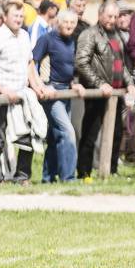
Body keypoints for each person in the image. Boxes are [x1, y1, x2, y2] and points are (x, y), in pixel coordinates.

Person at [0, 2, 50, 182]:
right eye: (15, 15)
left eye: (21, 16)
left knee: (27, 138)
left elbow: (29, 63)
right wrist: (3, 90)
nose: (19, 19)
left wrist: (37, 85)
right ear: (4, 17)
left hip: (22, 95)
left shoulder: (24, 35)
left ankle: (22, 177)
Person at [75, 2, 134, 179]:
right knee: (90, 134)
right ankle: (84, 173)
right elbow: (81, 63)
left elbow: (121, 64)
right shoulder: (89, 34)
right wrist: (99, 84)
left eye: (115, 16)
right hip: (97, 93)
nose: (112, 20)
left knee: (116, 133)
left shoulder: (117, 35)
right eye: (109, 16)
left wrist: (130, 83)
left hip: (115, 94)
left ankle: (112, 171)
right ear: (100, 14)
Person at [31, 10, 85, 182]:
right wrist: (41, 86)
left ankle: (48, 177)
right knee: (67, 132)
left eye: (72, 22)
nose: (69, 25)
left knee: (55, 136)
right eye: (66, 22)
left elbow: (68, 68)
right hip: (51, 93)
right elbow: (31, 63)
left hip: (66, 91)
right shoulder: (46, 39)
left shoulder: (72, 41)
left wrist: (74, 83)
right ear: (58, 22)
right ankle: (68, 177)